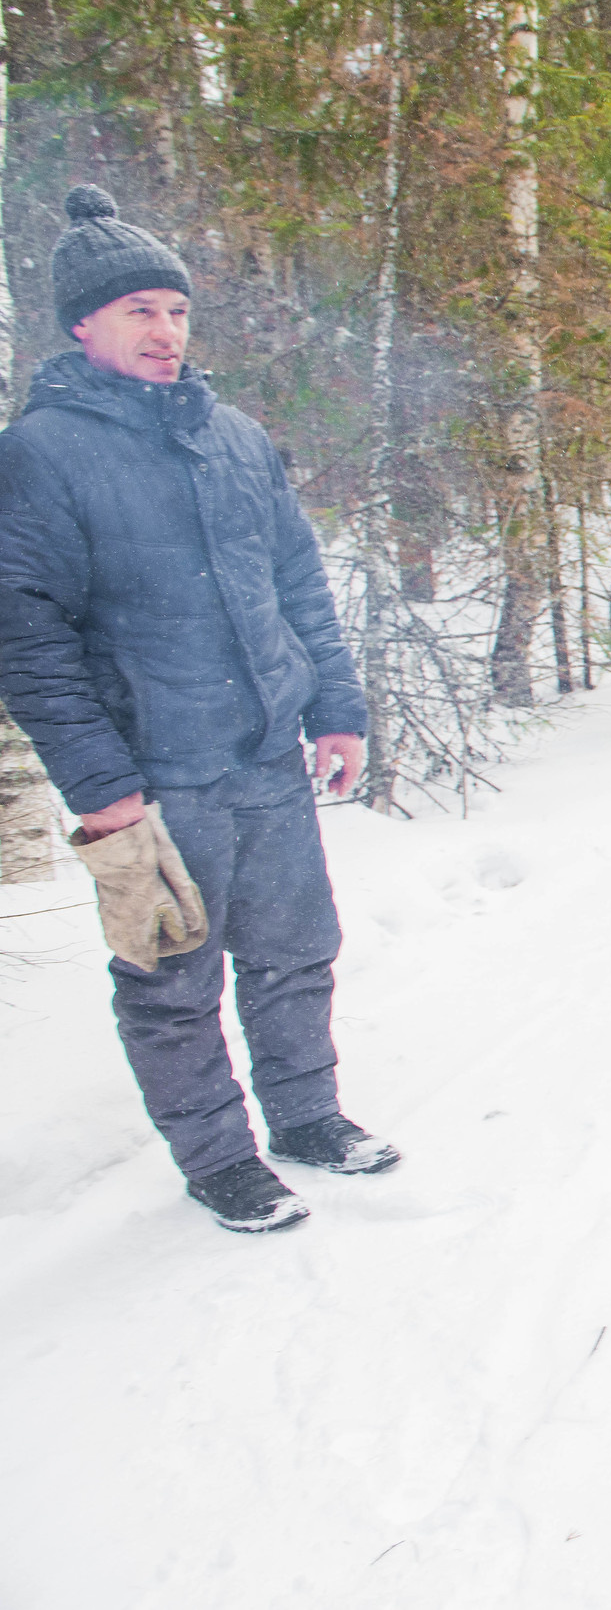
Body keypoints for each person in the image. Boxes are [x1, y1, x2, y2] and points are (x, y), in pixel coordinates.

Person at [0, 185, 396, 1234]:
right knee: (172, 980)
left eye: (175, 310)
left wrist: (336, 708)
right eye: (138, 310)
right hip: (153, 778)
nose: (166, 330)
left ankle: (307, 1116)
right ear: (81, 323)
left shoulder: (234, 435)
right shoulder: (38, 454)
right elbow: (25, 635)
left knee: (295, 948)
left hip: (264, 753)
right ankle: (219, 1159)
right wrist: (103, 786)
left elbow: (297, 578)